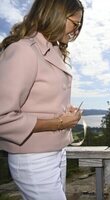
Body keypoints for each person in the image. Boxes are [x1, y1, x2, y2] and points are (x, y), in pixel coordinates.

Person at [0, 0, 84, 199]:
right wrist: (60, 122)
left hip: (56, 152)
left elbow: (39, 103)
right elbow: (2, 117)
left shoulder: (51, 51)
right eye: (75, 23)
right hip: (33, 158)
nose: (76, 31)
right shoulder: (23, 50)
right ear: (55, 15)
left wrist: (64, 113)